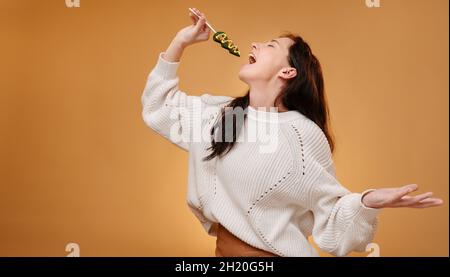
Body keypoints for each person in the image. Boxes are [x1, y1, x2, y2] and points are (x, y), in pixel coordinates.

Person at [141, 8, 443, 257]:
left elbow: (331, 215)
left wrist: (367, 201)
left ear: (288, 72)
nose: (254, 45)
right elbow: (161, 109)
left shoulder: (300, 135)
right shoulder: (231, 117)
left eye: (270, 46)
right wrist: (179, 44)